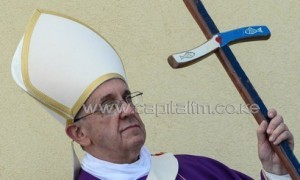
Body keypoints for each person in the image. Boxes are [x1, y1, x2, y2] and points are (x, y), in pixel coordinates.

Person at [12, 10, 294, 179]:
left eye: (127, 98)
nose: (127, 110)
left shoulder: (194, 169)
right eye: (108, 106)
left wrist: (275, 170)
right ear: (79, 134)